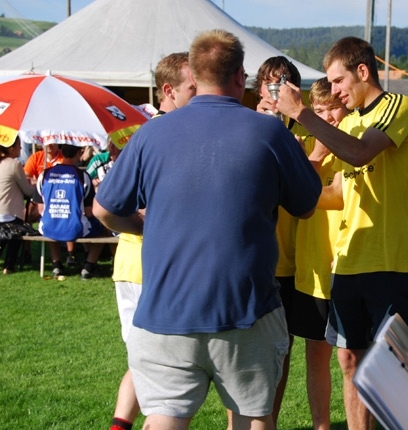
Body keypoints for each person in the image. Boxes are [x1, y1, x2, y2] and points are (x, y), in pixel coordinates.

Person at [93, 29, 321, 430]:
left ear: (195, 77)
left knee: (163, 417)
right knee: (254, 416)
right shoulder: (270, 132)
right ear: (240, 76)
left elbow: (103, 209)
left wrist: (142, 227)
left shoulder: (151, 133)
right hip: (246, 308)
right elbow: (306, 205)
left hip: (164, 310)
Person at [275, 36, 408, 430]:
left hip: (389, 260)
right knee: (348, 358)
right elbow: (338, 195)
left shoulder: (397, 107)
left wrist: (302, 113)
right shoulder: (352, 123)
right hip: (347, 261)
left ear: (363, 71)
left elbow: (360, 153)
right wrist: (287, 188)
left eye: (339, 81)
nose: (336, 91)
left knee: (388, 364)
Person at [108, 50, 196, 430]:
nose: (203, 95)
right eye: (194, 88)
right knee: (163, 372)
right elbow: (108, 205)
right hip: (150, 266)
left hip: (137, 265)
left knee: (143, 361)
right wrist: (151, 224)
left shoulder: (147, 133)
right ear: (169, 91)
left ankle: (120, 425)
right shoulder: (163, 136)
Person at [288, 77, 349, 430]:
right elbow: (294, 196)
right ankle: (321, 426)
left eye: (333, 109)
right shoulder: (305, 147)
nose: (327, 118)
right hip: (312, 269)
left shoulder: (354, 146)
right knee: (315, 355)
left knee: (350, 358)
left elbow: (333, 197)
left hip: (349, 267)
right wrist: (312, 158)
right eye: (320, 111)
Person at [252, 55, 306, 427]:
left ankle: (270, 419)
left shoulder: (304, 131)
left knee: (281, 350)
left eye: (284, 83)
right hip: (255, 261)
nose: (276, 90)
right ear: (259, 88)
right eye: (271, 83)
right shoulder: (245, 124)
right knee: (244, 353)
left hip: (291, 261)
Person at [37, 144, 104, 279]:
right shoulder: (82, 176)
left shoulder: (44, 174)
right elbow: (89, 212)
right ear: (79, 153)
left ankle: (56, 265)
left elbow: (40, 209)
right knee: (103, 230)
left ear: (62, 152)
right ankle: (88, 266)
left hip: (47, 226)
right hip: (74, 227)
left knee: (51, 224)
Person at [0, 135, 35, 274]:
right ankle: (9, 265)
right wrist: (37, 184)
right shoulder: (14, 165)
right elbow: (28, 191)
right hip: (9, 214)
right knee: (18, 231)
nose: (21, 148)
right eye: (19, 145)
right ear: (11, 148)